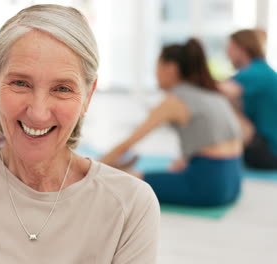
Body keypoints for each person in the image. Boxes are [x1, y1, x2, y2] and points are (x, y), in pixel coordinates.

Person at [0, 4, 159, 263]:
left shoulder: (130, 205)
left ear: (88, 95)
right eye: (20, 83)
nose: (38, 113)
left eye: (62, 88)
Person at [101, 39, 242, 206]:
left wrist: (94, 168)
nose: (155, 73)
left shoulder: (176, 100)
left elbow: (127, 144)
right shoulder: (212, 94)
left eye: (158, 66)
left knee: (121, 181)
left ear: (171, 69)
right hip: (233, 182)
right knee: (167, 169)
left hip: (209, 187)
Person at [219, 29, 277, 169]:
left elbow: (219, 90)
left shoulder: (254, 73)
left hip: (269, 153)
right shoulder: (264, 70)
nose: (227, 55)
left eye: (230, 49)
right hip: (268, 148)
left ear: (242, 49)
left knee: (222, 102)